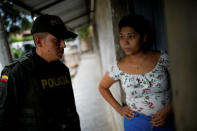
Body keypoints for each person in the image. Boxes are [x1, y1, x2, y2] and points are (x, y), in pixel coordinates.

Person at [0, 14, 81, 131]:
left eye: (63, 40)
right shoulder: (16, 73)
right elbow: (3, 121)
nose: (64, 45)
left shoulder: (62, 70)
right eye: (57, 40)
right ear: (38, 42)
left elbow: (72, 112)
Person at [99, 15, 174, 131]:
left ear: (144, 37)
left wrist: (170, 108)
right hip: (135, 122)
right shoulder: (118, 67)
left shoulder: (163, 58)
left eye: (131, 36)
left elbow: (186, 83)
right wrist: (119, 109)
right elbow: (102, 87)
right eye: (122, 37)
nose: (125, 42)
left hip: (166, 119)